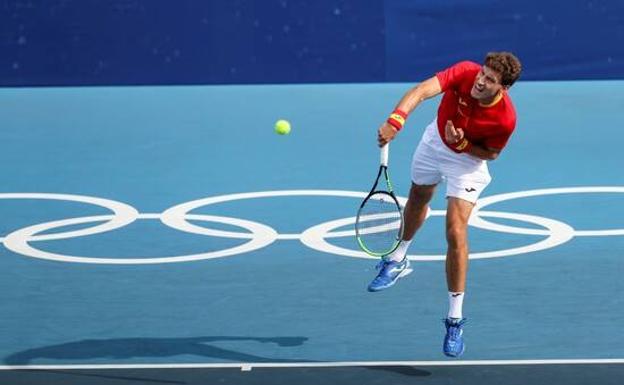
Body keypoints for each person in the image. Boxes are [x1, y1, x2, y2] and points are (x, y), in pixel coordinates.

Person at [367, 52, 522, 358]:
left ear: (503, 88)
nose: (481, 80)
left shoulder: (505, 119)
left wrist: (464, 144)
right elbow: (422, 90)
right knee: (418, 198)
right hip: (434, 141)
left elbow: (491, 154)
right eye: (483, 73)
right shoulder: (465, 71)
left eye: (490, 80)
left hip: (467, 163)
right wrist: (395, 121)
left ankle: (454, 320)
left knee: (455, 230)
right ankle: (397, 259)